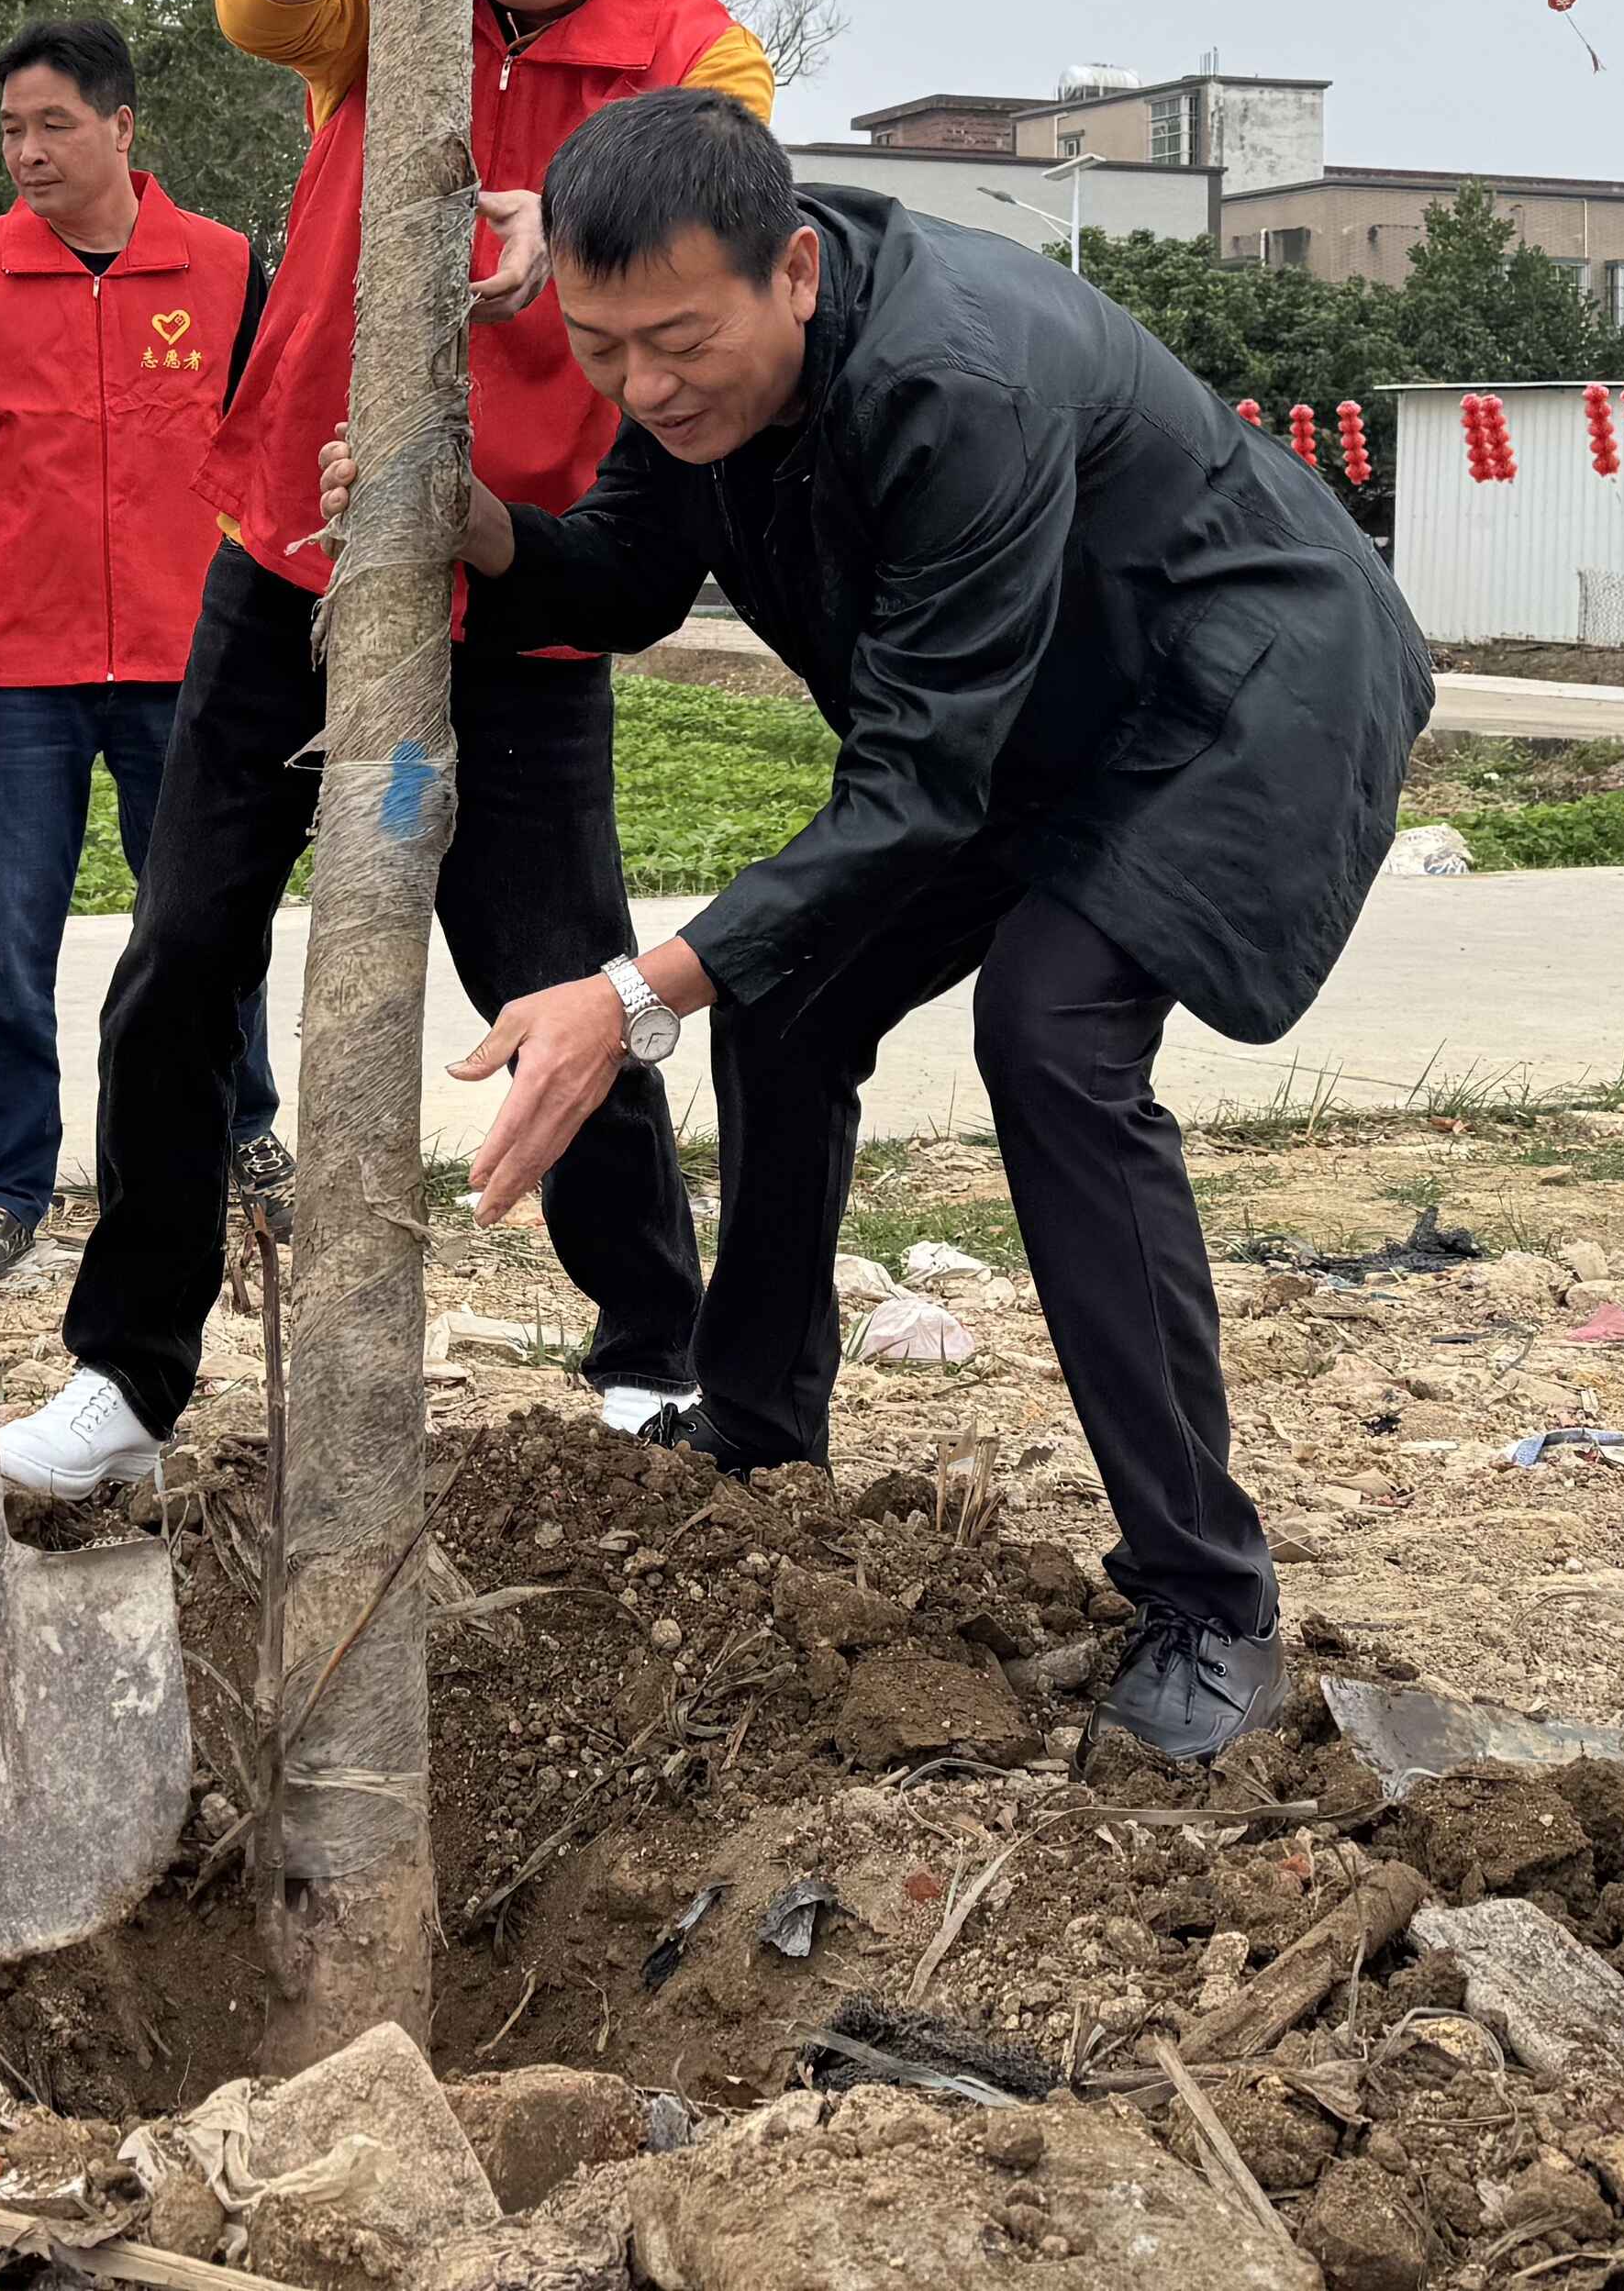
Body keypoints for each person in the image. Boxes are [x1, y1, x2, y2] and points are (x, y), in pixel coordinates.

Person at [427, 92, 1427, 1761]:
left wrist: (629, 991)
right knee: (786, 999)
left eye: (676, 341)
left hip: (1239, 684)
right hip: (1031, 711)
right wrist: (484, 529)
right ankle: (753, 1432)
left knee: (1049, 1026)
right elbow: (626, 565)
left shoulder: (955, 375)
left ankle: (1205, 1595)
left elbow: (912, 783)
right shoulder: (690, 375)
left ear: (795, 271)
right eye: (602, 353)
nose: (646, 388)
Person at [0, 0, 768, 1499]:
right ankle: (129, 1365)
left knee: (562, 981)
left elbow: (714, 222)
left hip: (523, 595)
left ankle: (652, 1356)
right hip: (291, 555)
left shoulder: (695, 58)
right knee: (184, 953)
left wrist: (559, 222)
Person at [0, 15, 277, 1282]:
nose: (30, 153)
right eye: (12, 131)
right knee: (5, 934)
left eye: (55, 126)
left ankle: (241, 1128)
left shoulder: (222, 269)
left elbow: (266, 443)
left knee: (207, 917)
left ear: (121, 124)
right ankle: (5, 1183)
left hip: (189, 658)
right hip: (18, 667)